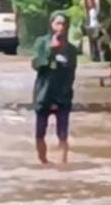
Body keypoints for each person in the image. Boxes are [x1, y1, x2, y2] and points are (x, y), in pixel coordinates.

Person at [31, 12, 78, 164]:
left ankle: (63, 164)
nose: (61, 27)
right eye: (57, 23)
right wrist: (50, 50)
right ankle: (43, 162)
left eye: (64, 24)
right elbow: (36, 64)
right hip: (44, 94)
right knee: (40, 133)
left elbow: (71, 73)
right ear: (51, 24)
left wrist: (66, 94)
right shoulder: (41, 43)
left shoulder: (70, 49)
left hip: (62, 95)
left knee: (63, 134)